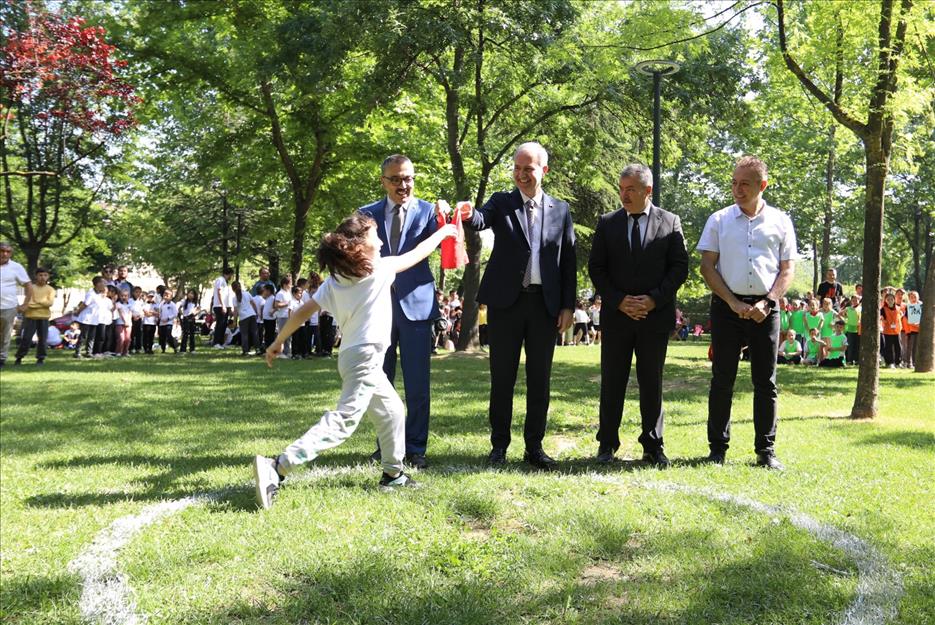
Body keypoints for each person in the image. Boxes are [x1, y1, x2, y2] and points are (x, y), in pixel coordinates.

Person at [252, 212, 457, 509]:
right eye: (375, 234)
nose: (382, 240)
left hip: (352, 356)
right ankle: (279, 466)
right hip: (365, 356)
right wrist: (444, 232)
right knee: (345, 421)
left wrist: (278, 341)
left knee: (392, 411)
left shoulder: (335, 281)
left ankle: (393, 474)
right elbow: (416, 254)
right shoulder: (380, 269)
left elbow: (302, 312)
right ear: (359, 246)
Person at [459, 141, 577, 470]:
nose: (522, 175)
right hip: (505, 306)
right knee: (502, 378)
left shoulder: (561, 210)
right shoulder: (502, 202)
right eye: (517, 168)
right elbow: (481, 220)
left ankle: (534, 447)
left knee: (540, 379)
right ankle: (499, 446)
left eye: (529, 168)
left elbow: (568, 261)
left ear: (544, 171)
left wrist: (568, 305)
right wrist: (469, 214)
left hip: (545, 306)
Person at [697, 155, 797, 471]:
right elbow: (707, 267)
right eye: (734, 183)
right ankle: (717, 449)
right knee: (722, 379)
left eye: (745, 184)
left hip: (767, 308)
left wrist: (767, 303)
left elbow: (787, 269)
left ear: (762, 186)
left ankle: (766, 451)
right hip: (727, 307)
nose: (737, 190)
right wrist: (732, 302)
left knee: (765, 382)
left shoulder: (781, 221)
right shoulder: (718, 220)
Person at [588, 163, 689, 467]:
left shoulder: (670, 222)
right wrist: (619, 301)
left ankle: (653, 445)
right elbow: (597, 268)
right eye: (621, 189)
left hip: (653, 319)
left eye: (630, 189)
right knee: (612, 382)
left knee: (651, 382)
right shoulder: (607, 223)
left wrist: (653, 300)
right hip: (617, 318)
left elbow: (679, 268)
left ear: (648, 190)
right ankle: (607, 444)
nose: (624, 195)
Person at [357, 155, 445, 469]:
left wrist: (450, 216)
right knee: (381, 383)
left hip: (417, 308)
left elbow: (453, 243)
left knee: (418, 383)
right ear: (383, 181)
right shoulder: (365, 215)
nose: (402, 185)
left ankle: (416, 447)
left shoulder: (430, 212)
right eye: (395, 179)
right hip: (377, 309)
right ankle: (386, 446)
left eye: (407, 178)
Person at [0, 241, 33, 368]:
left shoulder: (16, 267)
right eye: (2, 251)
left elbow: (28, 285)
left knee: (5, 334)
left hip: (9, 306)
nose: (5, 254)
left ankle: (1, 359)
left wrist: (25, 304)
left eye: (8, 251)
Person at [14, 267, 55, 366]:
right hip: (30, 317)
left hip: (44, 318)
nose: (42, 277)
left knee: (43, 339)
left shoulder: (50, 290)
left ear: (48, 277)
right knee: (27, 338)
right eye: (40, 275)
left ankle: (40, 358)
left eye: (45, 275)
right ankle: (19, 357)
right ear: (36, 276)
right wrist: (41, 303)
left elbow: (49, 303)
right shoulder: (30, 288)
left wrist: (37, 303)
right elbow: (28, 303)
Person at [73, 276, 105, 359]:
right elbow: (85, 304)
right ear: (98, 284)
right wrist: (78, 312)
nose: (104, 285)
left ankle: (89, 352)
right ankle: (77, 351)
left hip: (94, 319)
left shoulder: (99, 294)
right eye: (103, 283)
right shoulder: (91, 293)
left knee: (92, 336)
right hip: (87, 318)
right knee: (83, 335)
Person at [233, 280, 260, 356]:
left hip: (243, 317)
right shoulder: (247, 293)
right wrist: (256, 312)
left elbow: (235, 311)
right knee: (255, 333)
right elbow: (253, 304)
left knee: (244, 334)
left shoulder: (234, 298)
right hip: (252, 314)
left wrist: (235, 321)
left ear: (233, 289)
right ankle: (257, 349)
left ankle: (245, 351)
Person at [211, 267, 234, 347]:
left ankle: (220, 342)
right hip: (219, 305)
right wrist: (223, 305)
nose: (231, 276)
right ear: (229, 273)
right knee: (220, 324)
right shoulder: (220, 280)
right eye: (231, 274)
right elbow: (219, 292)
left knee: (224, 325)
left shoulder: (225, 281)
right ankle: (216, 342)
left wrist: (229, 308)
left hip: (224, 306)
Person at [880, 291, 902, 368]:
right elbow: (881, 318)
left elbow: (900, 316)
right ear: (885, 300)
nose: (890, 300)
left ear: (894, 300)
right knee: (888, 347)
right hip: (887, 331)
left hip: (897, 331)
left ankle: (898, 363)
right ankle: (889, 363)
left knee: (898, 347)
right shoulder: (883, 309)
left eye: (891, 299)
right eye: (888, 299)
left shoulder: (898, 308)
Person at [903, 290, 922, 368]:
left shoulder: (921, 306)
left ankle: (915, 362)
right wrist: (913, 325)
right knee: (910, 347)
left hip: (919, 330)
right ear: (909, 298)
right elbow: (906, 318)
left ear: (918, 298)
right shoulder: (908, 307)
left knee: (917, 347)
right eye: (911, 297)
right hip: (911, 330)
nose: (913, 299)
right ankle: (909, 363)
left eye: (915, 297)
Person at [844, 294, 861, 365]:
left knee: (857, 345)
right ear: (851, 301)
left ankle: (857, 360)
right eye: (853, 300)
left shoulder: (861, 308)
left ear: (859, 301)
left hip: (858, 330)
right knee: (850, 345)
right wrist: (845, 320)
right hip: (850, 329)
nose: (854, 301)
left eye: (856, 300)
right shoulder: (848, 308)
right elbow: (840, 314)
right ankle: (849, 360)